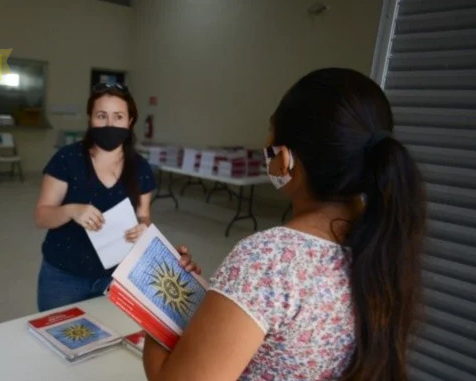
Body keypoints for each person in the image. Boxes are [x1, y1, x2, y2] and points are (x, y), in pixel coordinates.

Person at [142, 68, 427, 381]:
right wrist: (220, 300)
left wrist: (163, 308)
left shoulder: (267, 260)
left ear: (286, 159)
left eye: (270, 130)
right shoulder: (384, 247)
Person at [33, 83, 200, 312]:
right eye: (101, 116)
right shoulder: (67, 159)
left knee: (110, 340)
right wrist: (72, 210)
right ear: (90, 118)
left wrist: (143, 229)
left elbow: (144, 216)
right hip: (63, 276)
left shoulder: (140, 168)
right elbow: (42, 216)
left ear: (129, 121)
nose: (109, 124)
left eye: (118, 116)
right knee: (56, 337)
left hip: (117, 276)